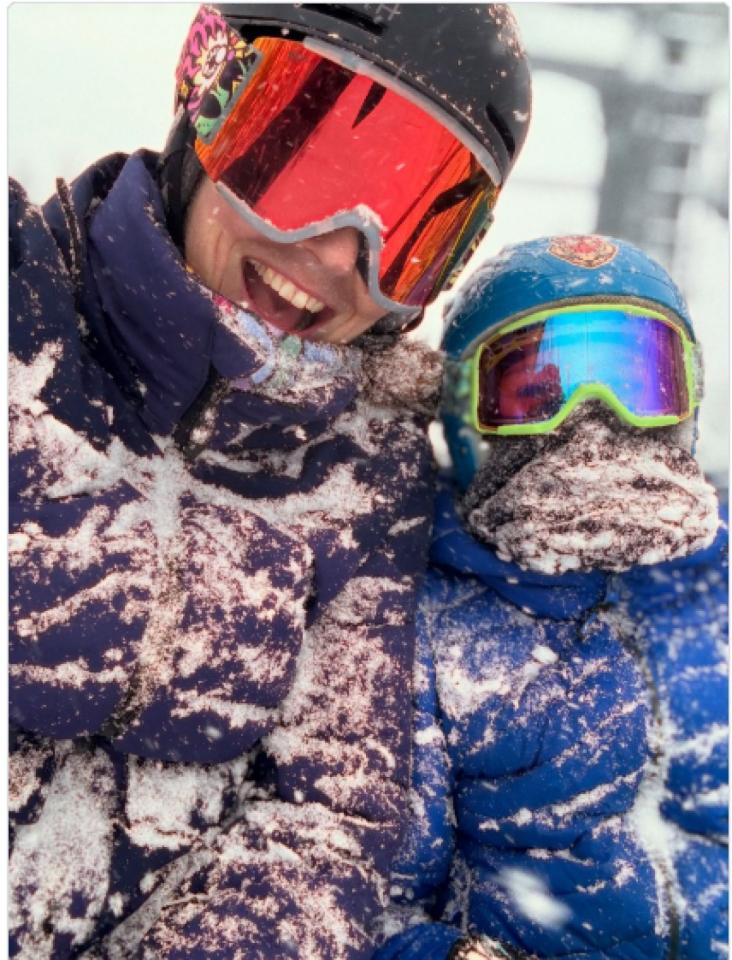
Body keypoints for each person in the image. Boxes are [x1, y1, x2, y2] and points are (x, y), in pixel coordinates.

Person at [8, 5, 531, 959]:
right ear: (208, 97)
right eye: (308, 167)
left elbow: (329, 819)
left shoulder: (368, 472)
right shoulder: (19, 303)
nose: (339, 255)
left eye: (411, 230)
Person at [370, 236, 727, 960]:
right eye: (538, 396)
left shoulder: (712, 581)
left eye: (638, 387)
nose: (595, 424)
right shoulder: (418, 628)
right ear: (464, 410)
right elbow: (376, 907)